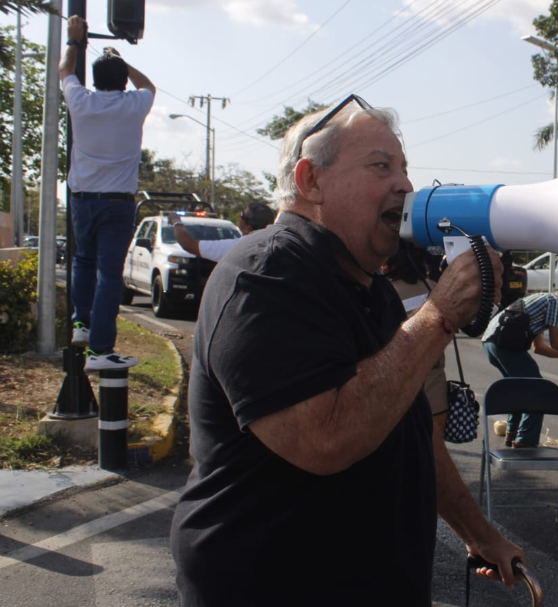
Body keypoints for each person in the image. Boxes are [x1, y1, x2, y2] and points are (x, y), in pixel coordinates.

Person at [169, 98, 523, 606]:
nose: (404, 185)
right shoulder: (267, 275)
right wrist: (438, 315)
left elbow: (414, 433)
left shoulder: (367, 287)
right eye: (382, 166)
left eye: (404, 169)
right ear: (311, 180)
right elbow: (324, 439)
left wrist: (478, 532)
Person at [60, 16, 154, 372]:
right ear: (122, 80)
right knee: (109, 274)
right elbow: (148, 84)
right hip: (117, 203)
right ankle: (100, 350)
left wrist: (74, 39)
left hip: (82, 199)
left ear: (95, 80)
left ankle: (80, 324)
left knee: (83, 261)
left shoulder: (80, 101)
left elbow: (64, 70)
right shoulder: (135, 105)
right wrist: (121, 58)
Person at [481, 289, 558, 448]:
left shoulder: (543, 303)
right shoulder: (556, 302)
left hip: (492, 342)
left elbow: (538, 348)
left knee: (518, 387)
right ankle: (525, 440)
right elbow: (557, 342)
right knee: (537, 389)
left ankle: (512, 431)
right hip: (503, 342)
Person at [383, 239, 449, 437]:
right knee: (432, 456)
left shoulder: (384, 291)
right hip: (434, 385)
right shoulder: (434, 287)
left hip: (392, 387)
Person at [167, 202, 275, 262]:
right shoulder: (277, 246)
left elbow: (188, 244)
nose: (239, 217)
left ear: (249, 228)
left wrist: (176, 222)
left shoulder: (239, 247)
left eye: (242, 215)